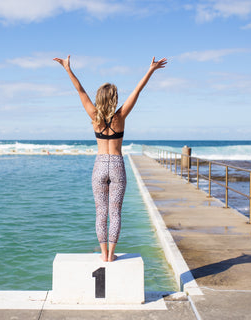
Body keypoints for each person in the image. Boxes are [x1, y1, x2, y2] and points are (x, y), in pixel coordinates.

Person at [53, 55, 167, 262]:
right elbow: (137, 91)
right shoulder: (120, 117)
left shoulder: (94, 116)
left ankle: (103, 253)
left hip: (99, 165)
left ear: (99, 98)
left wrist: (68, 69)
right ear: (113, 99)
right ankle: (111, 255)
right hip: (116, 164)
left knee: (100, 213)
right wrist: (151, 70)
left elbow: (80, 91)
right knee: (115, 212)